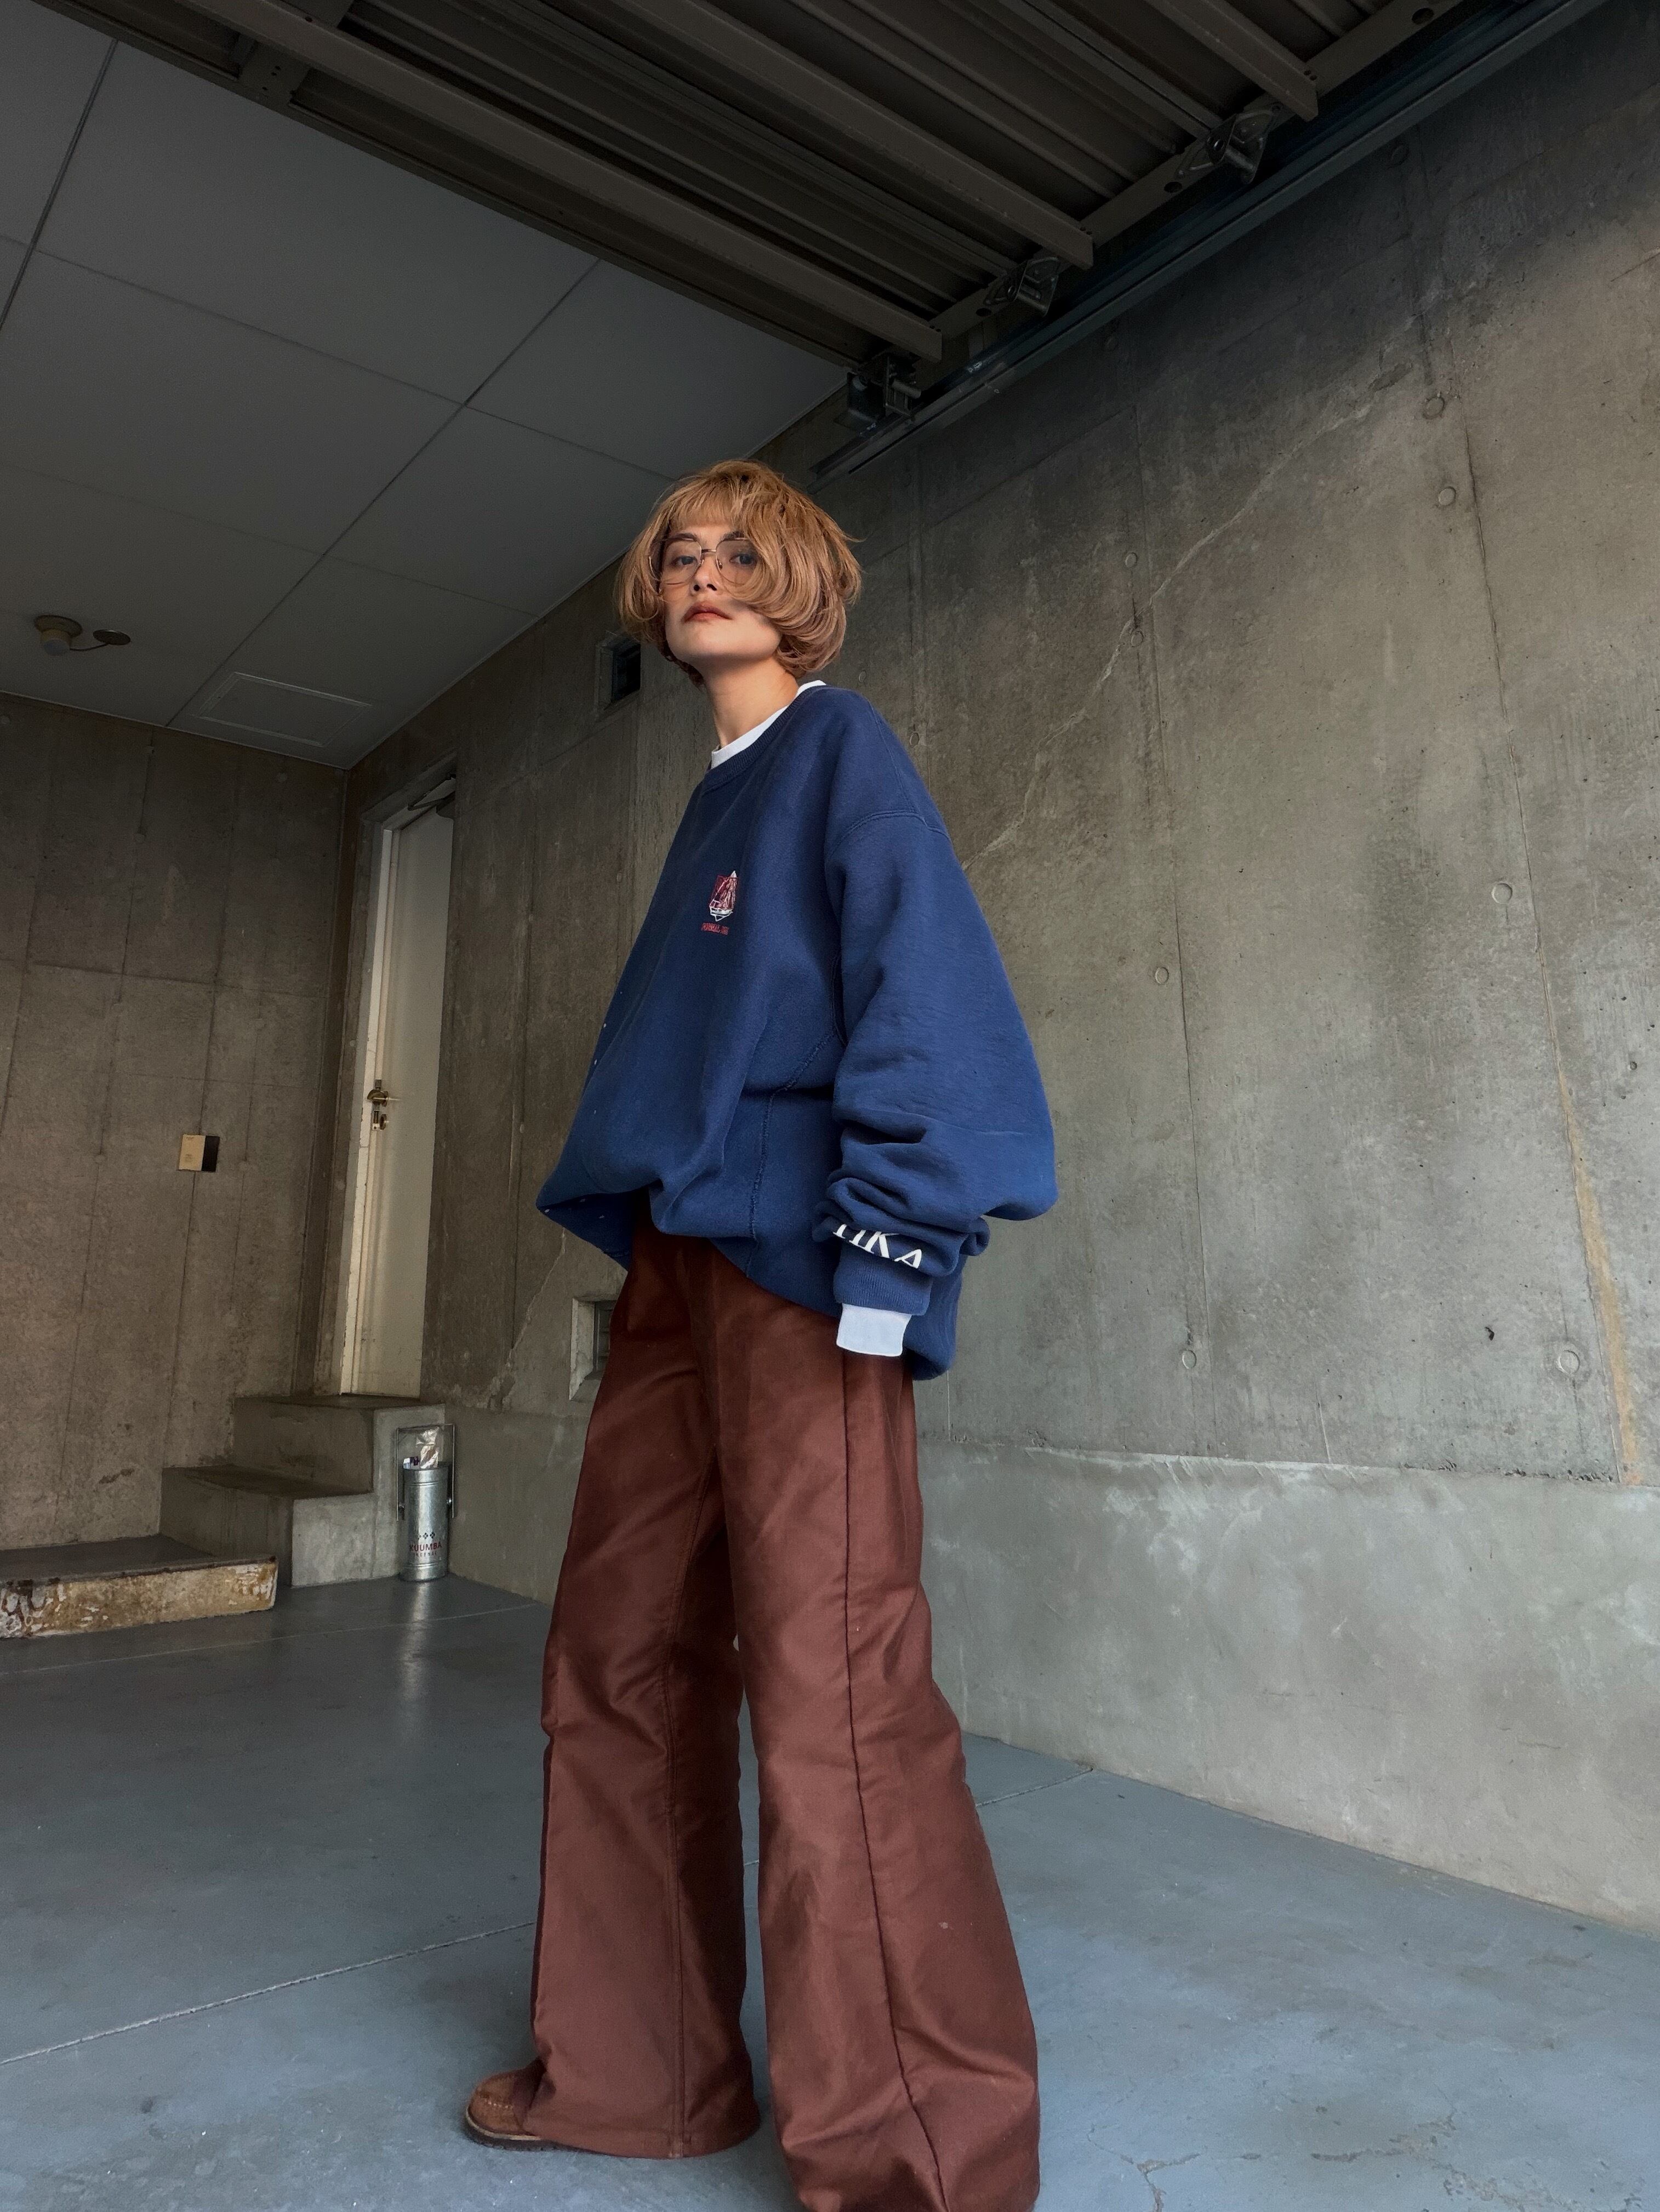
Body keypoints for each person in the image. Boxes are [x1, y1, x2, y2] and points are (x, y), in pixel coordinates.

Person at [465, 459, 1056, 2212]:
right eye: (682, 555)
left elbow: (925, 986)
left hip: (808, 1266)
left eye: (739, 552)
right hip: (675, 1269)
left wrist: (896, 1242)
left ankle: (919, 2156)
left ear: (799, 583)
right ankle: (643, 2075)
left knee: (833, 1682)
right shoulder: (712, 806)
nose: (705, 574)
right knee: (619, 1654)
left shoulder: (838, 748)